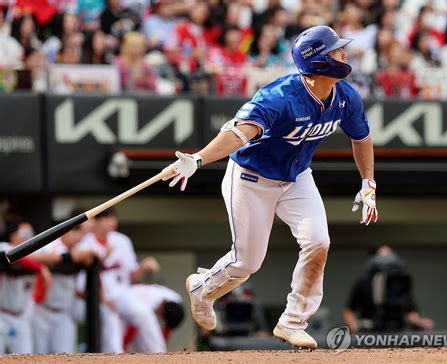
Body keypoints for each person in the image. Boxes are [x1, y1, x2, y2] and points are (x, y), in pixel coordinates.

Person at [163, 25, 378, 349]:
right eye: (337, 50)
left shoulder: (345, 96)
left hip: (297, 177)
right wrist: (198, 160)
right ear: (320, 63)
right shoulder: (279, 97)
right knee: (246, 264)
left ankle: (293, 322)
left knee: (319, 241)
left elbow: (361, 139)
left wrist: (368, 182)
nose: (345, 54)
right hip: (251, 178)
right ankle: (202, 289)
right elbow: (237, 134)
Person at [76, 209, 164, 352]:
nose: (112, 222)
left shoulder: (121, 240)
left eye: (113, 218)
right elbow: (81, 287)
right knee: (112, 332)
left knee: (144, 313)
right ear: (95, 222)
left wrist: (143, 267)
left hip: (123, 294)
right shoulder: (85, 243)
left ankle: (160, 356)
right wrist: (103, 299)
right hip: (99, 300)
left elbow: (132, 275)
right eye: (106, 218)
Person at [31, 223, 98, 353]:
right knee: (38, 355)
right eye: (74, 232)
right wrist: (42, 265)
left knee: (66, 355)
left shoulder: (80, 246)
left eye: (79, 234)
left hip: (64, 312)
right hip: (42, 310)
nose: (78, 237)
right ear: (65, 232)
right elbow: (53, 257)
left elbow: (93, 257)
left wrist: (75, 256)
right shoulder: (50, 245)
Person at [343, 245, 434, 333]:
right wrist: (355, 328)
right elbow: (349, 311)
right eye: (383, 254)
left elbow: (410, 312)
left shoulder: (400, 283)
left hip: (398, 332)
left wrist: (421, 322)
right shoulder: (363, 283)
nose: (388, 257)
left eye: (390, 254)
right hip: (371, 332)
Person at [0, 218, 52, 354]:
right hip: (2, 315)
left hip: (22, 316)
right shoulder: (3, 246)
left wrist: (38, 261)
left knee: (26, 356)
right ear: (12, 235)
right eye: (24, 233)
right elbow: (10, 254)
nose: (29, 237)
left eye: (31, 234)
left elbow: (55, 256)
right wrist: (40, 267)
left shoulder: (38, 253)